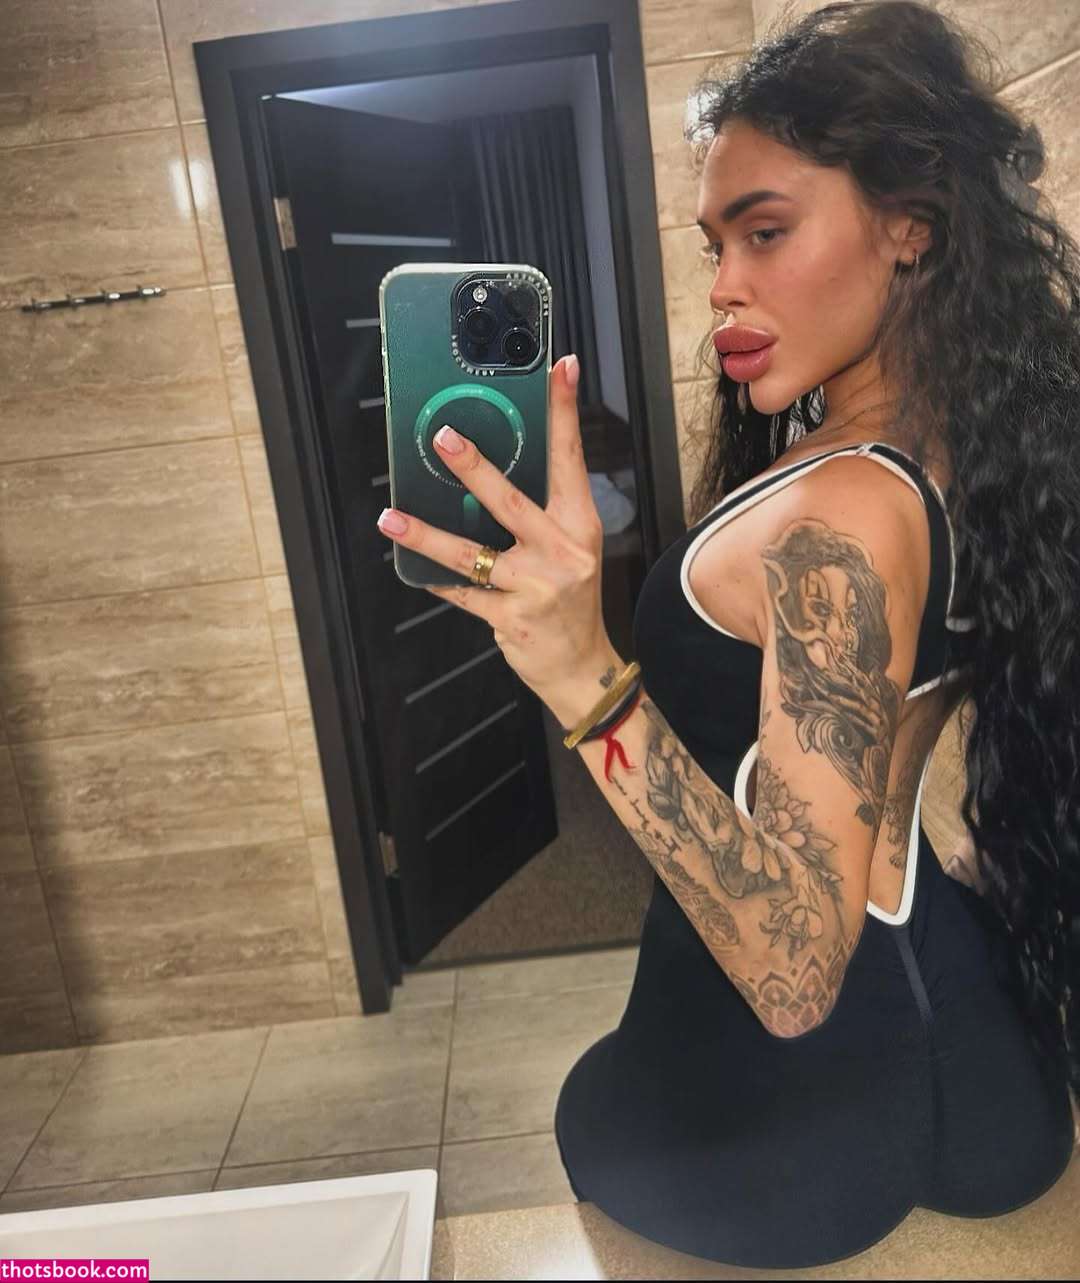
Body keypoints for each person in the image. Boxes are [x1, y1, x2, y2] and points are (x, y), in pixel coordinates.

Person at [550, 0, 1080, 1268]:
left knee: (584, 1108)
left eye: (767, 231)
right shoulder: (979, 445)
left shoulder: (841, 508)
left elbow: (794, 974)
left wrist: (578, 669)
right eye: (714, 245)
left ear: (911, 225)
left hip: (794, 1130)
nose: (724, 287)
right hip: (976, 1055)